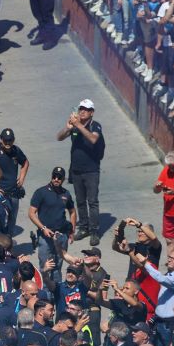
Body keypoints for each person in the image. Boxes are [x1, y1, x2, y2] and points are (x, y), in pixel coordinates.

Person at [58, 98, 105, 245]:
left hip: (91, 170)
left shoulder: (95, 126)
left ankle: (94, 231)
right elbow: (59, 138)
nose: (82, 111)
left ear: (92, 112)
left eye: (85, 109)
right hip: (76, 170)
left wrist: (78, 124)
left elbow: (92, 139)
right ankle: (83, 227)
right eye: (80, 109)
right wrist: (68, 127)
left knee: (92, 201)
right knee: (80, 201)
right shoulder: (75, 127)